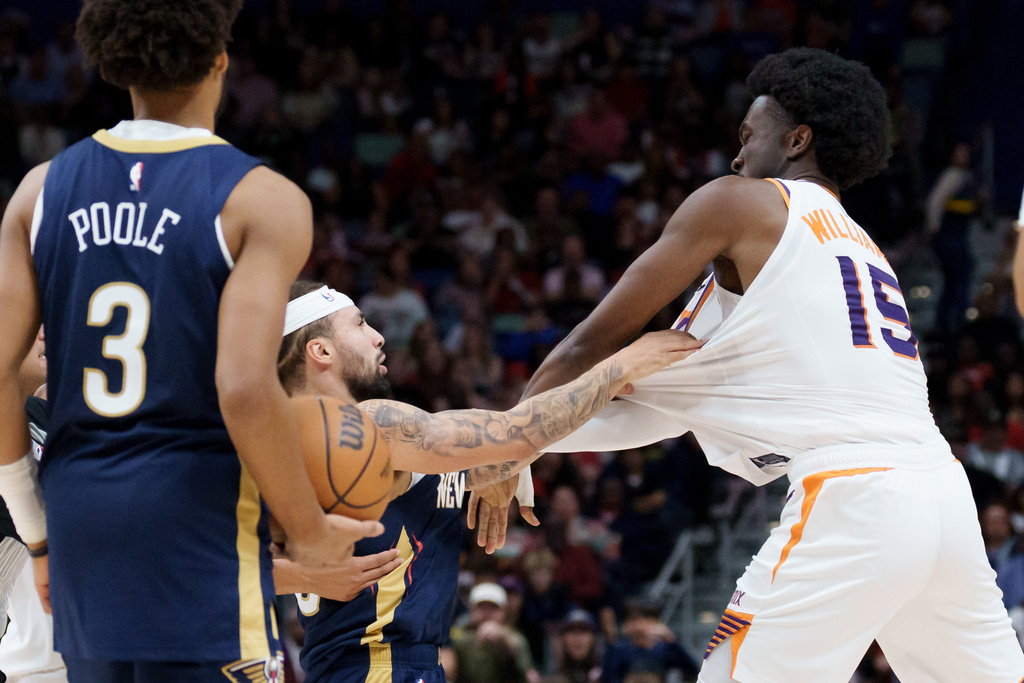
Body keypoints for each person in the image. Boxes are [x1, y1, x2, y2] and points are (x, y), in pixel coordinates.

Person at [524, 48, 1024, 682]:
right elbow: (654, 411)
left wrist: (502, 443)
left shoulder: (743, 205)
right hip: (944, 495)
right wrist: (524, 443)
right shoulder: (865, 250)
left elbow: (585, 347)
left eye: (747, 135)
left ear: (797, 139)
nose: (736, 157)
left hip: (854, 492)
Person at [0, 1, 380, 679]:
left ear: (120, 67)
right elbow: (242, 386)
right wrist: (310, 530)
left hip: (80, 509)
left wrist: (35, 532)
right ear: (219, 61)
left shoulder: (38, 191)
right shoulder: (263, 199)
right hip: (193, 510)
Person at [273, 280, 700, 682]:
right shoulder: (366, 424)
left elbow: (223, 564)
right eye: (360, 323)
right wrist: (623, 363)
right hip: (378, 667)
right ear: (320, 350)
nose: (378, 336)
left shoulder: (289, 448)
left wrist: (502, 462)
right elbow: (517, 431)